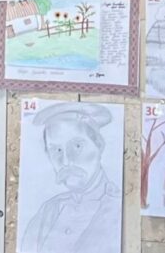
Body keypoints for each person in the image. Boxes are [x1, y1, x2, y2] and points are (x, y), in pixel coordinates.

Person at [21, 103, 121, 253]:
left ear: (99, 145)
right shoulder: (47, 212)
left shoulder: (120, 208)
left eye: (77, 146)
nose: (66, 161)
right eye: (57, 150)